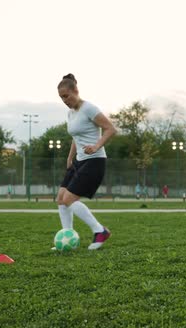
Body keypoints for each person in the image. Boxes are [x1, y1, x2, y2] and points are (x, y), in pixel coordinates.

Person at [55, 73, 117, 250]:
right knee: (61, 198)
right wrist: (69, 157)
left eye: (66, 96)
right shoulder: (70, 113)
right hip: (79, 162)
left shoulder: (89, 108)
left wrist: (96, 146)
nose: (64, 100)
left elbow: (110, 129)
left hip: (94, 161)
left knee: (69, 199)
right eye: (61, 98)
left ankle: (100, 231)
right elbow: (76, 136)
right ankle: (68, 238)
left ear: (76, 90)